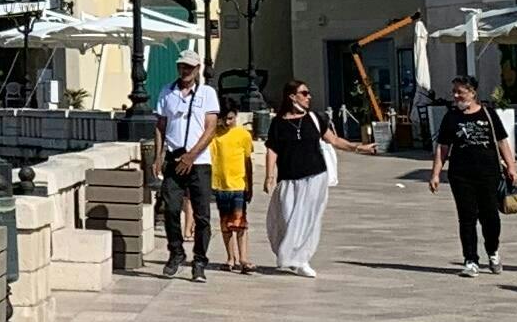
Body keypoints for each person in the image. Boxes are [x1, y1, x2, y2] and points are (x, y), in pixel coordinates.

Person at [256, 79, 375, 274]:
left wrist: (358, 147)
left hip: (315, 176)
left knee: (309, 219)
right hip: (289, 178)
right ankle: (288, 255)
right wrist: (269, 176)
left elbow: (334, 140)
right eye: (304, 93)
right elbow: (272, 149)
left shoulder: (314, 118)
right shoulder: (278, 123)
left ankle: (302, 259)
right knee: (287, 218)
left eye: (308, 93)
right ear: (292, 97)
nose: (308, 96)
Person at [419, 74, 517, 277]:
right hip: (461, 175)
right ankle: (471, 260)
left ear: (472, 93)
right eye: (454, 92)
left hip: (489, 174)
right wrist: (435, 174)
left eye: (460, 92)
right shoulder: (451, 117)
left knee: (490, 217)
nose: (455, 96)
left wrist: (511, 167)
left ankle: (493, 252)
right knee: (466, 218)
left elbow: (502, 142)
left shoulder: (488, 114)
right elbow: (443, 147)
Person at [151, 60, 219, 283]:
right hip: (173, 158)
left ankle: (199, 261)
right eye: (181, 66)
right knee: (170, 208)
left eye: (190, 67)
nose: (185, 71)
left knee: (202, 216)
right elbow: (161, 126)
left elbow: (211, 128)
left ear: (197, 68)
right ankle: (176, 252)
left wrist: (192, 156)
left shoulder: (207, 93)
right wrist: (158, 157)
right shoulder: (167, 92)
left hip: (198, 161)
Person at [205, 106, 258, 272]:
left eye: (230, 118)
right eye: (224, 119)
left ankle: (243, 258)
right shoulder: (214, 134)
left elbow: (248, 161)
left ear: (236, 115)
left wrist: (249, 185)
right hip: (220, 185)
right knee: (225, 224)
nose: (227, 122)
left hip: (239, 184)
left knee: (240, 223)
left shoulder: (243, 135)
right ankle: (230, 257)